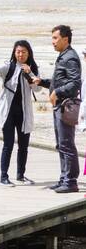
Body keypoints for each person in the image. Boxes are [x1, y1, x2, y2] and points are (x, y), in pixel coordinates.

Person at [0, 42, 39, 185]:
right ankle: (3, 177)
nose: (20, 54)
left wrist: (29, 73)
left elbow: (37, 90)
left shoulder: (33, 69)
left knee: (23, 145)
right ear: (14, 53)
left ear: (28, 53)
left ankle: (21, 175)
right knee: (8, 143)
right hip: (8, 113)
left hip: (24, 113)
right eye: (18, 52)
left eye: (24, 52)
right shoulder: (9, 66)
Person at [36, 25, 82, 193]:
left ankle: (70, 182)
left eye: (55, 38)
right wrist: (41, 82)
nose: (53, 42)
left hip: (65, 106)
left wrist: (58, 91)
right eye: (52, 38)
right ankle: (64, 178)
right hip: (59, 106)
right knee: (61, 144)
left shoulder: (70, 57)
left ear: (65, 39)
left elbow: (75, 83)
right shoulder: (64, 56)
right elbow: (60, 81)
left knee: (66, 144)